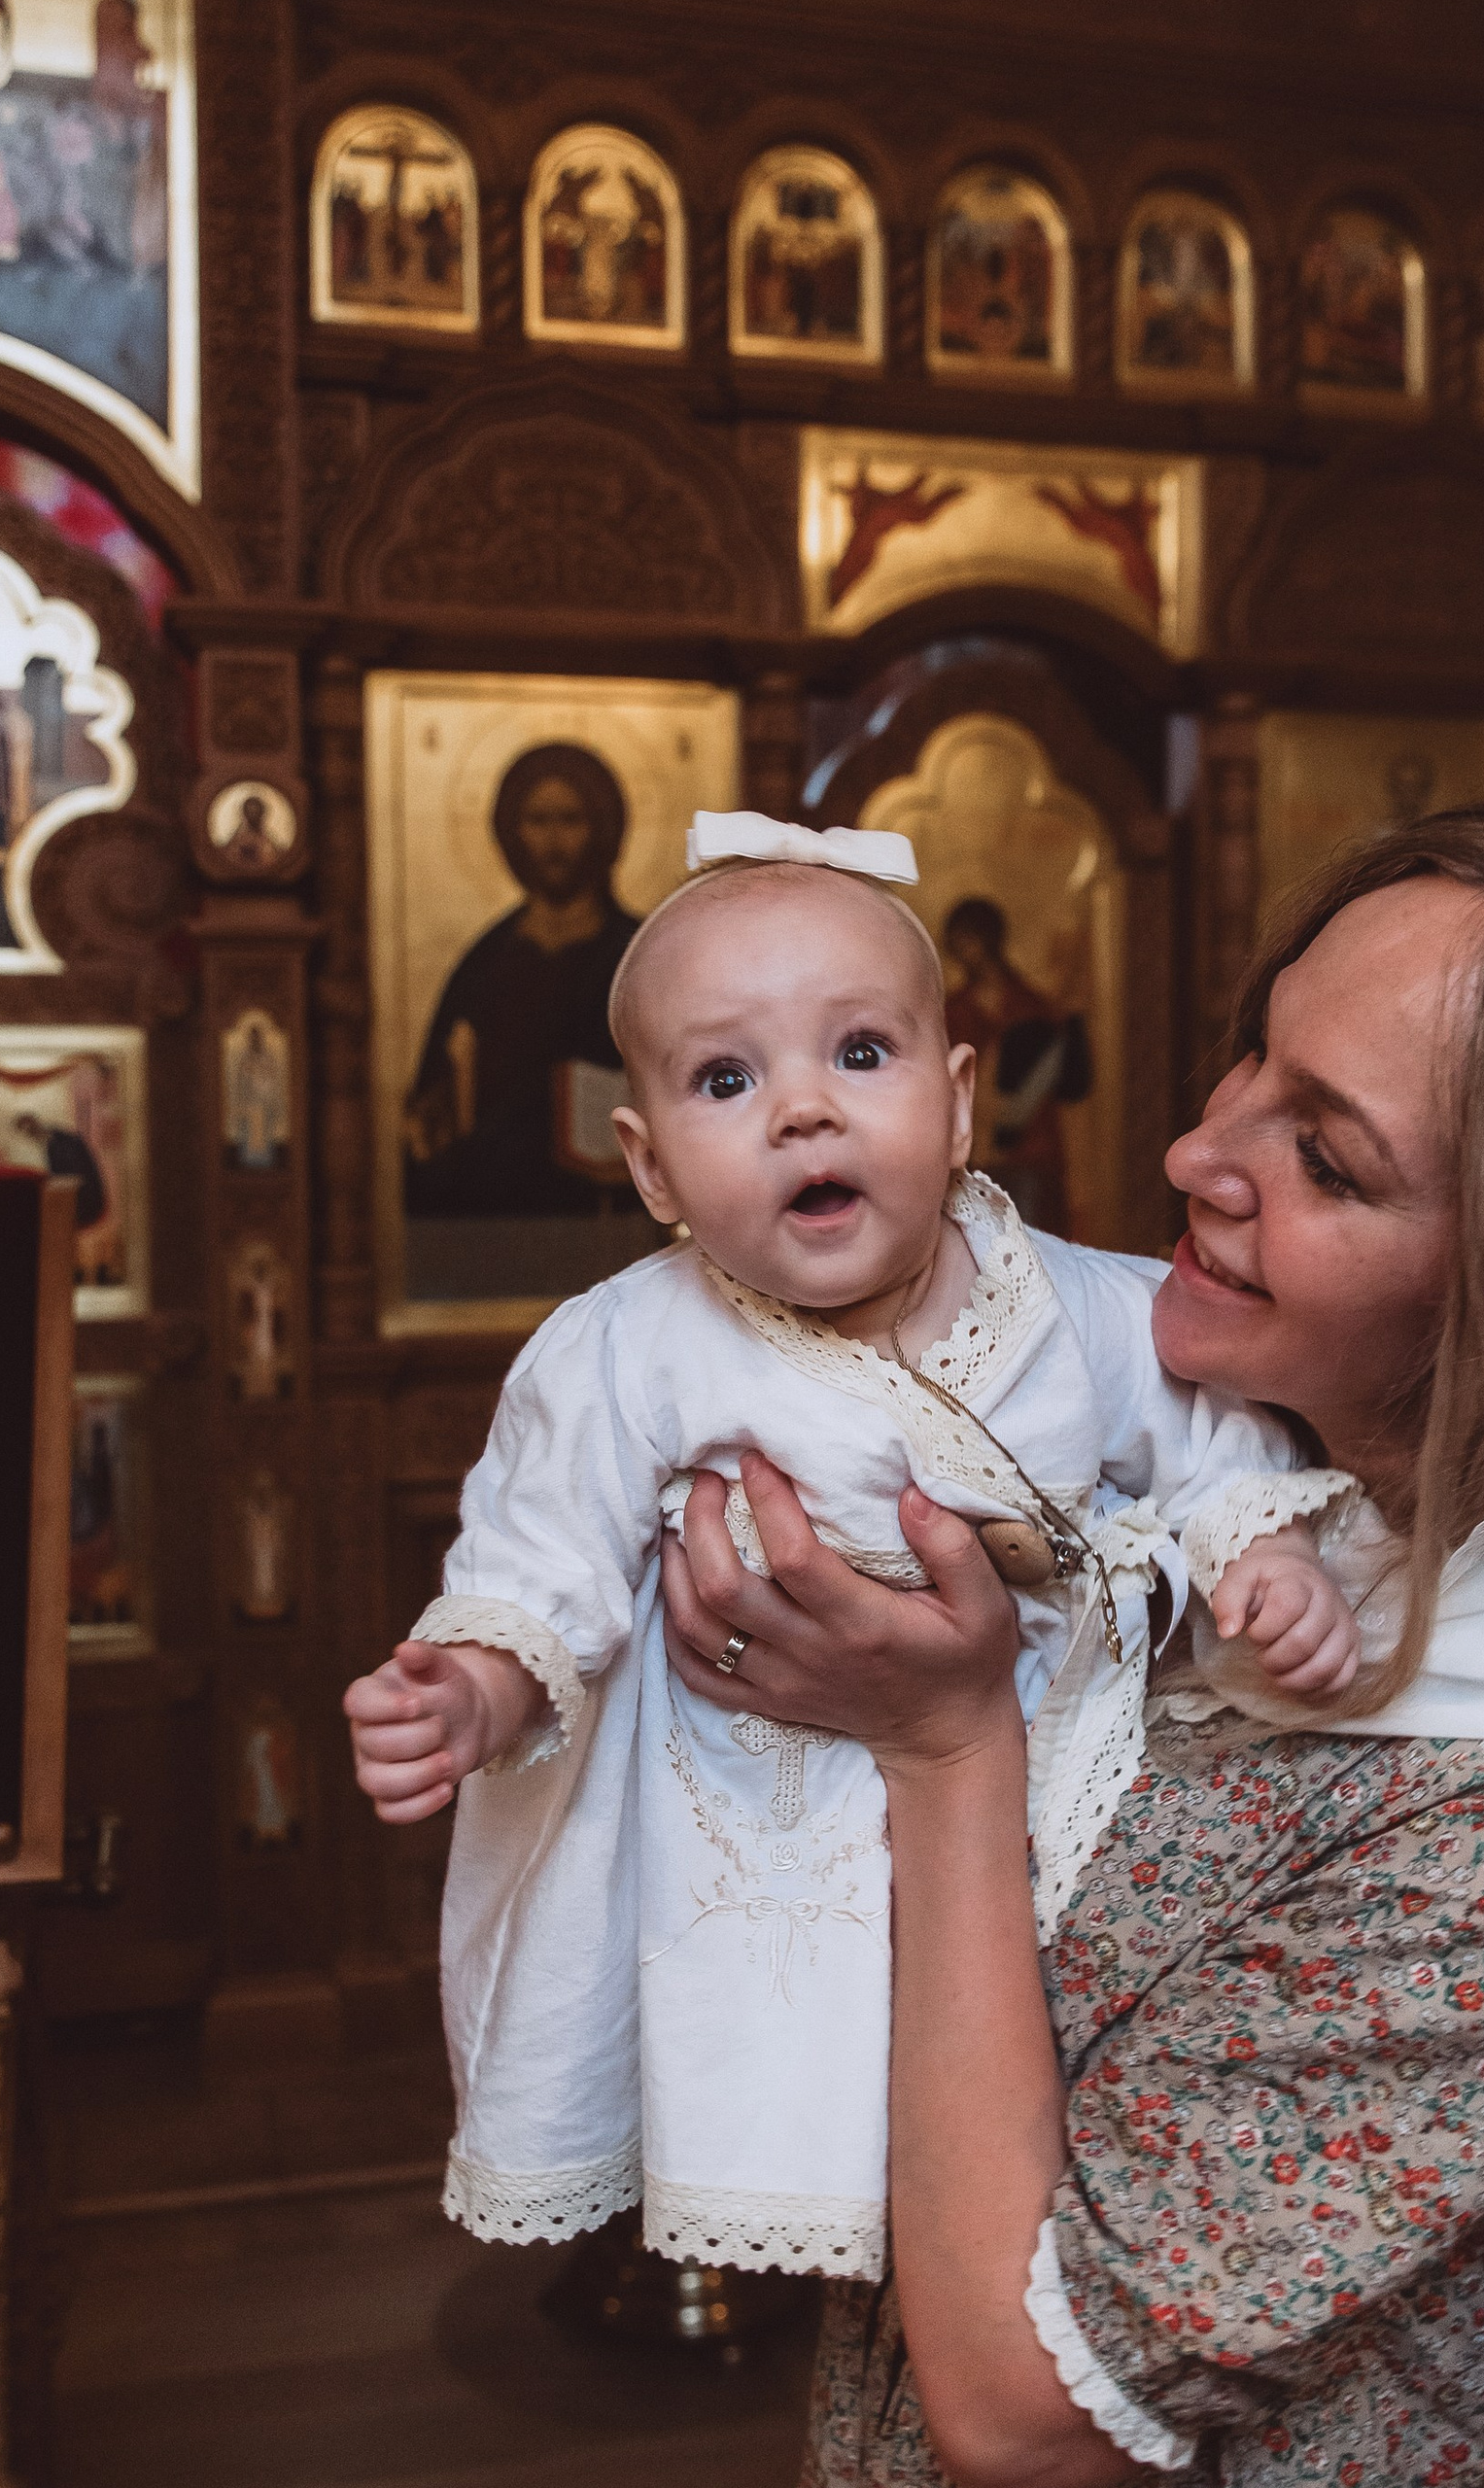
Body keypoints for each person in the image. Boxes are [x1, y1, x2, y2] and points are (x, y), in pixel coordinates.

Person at [648, 791, 1484, 2487]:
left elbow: (1026, 2422)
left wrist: (946, 1748)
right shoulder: (1253, 1541)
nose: (1195, 1152)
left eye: (1326, 1155)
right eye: (1253, 1055)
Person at [343, 810, 1363, 2288]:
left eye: (860, 1056)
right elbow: (540, 1562)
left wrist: (1259, 1561)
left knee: (1027, 2117)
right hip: (759, 1810)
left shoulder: (1081, 1302)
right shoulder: (623, 1349)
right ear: (650, 1168)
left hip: (1034, 1782)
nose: (802, 1112)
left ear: (958, 1105)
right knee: (792, 2079)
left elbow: (1207, 1444)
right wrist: (475, 1691)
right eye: (727, 1078)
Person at [404, 743, 640, 1221]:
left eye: (570, 820)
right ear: (512, 832)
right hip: (498, 1210)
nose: (553, 840)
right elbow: (432, 1100)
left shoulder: (639, 951)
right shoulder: (487, 960)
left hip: (612, 1208)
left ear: (601, 829)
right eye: (537, 820)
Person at [942, 896, 1092, 1237]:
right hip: (976, 1151)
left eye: (969, 939)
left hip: (1032, 1152)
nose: (963, 950)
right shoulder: (953, 1011)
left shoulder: (1034, 1007)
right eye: (957, 942)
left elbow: (1070, 1084)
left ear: (989, 938)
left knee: (1035, 1243)